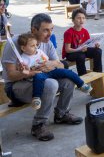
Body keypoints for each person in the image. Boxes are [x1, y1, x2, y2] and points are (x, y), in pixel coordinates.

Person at [1, 13, 83, 141]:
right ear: (34, 30)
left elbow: (60, 65)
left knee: (68, 80)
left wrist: (53, 63)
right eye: (45, 30)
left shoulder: (47, 43)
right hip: (16, 86)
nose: (50, 34)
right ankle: (38, 125)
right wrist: (27, 72)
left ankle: (61, 114)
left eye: (51, 29)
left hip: (40, 81)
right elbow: (10, 76)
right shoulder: (16, 43)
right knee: (51, 84)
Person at [17, 33, 92, 110]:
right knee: (38, 78)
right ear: (23, 48)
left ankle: (81, 84)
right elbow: (27, 71)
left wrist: (48, 63)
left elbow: (47, 60)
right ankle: (36, 98)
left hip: (50, 70)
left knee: (67, 72)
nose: (35, 47)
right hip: (39, 74)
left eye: (36, 45)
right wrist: (27, 69)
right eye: (32, 46)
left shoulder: (39, 52)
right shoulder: (23, 59)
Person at [62, 8, 104, 79]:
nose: (81, 20)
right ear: (73, 20)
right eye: (78, 18)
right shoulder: (68, 33)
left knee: (98, 51)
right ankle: (83, 77)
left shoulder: (85, 31)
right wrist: (79, 50)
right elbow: (67, 50)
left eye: (83, 18)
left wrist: (95, 45)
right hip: (71, 54)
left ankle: (98, 74)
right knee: (81, 56)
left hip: (82, 50)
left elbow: (88, 44)